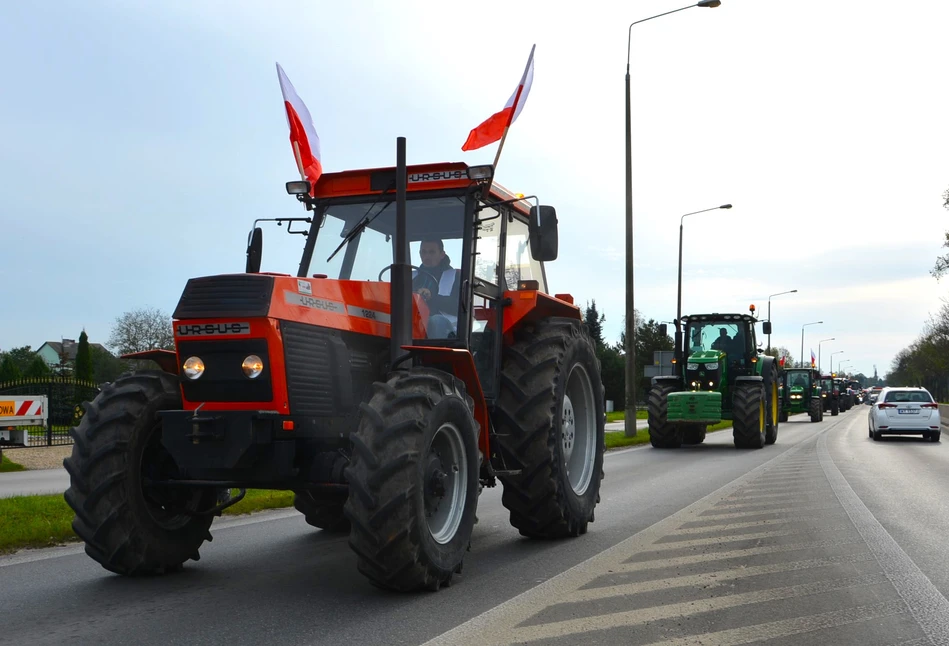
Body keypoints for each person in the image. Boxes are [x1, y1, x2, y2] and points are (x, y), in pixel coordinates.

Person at [414, 237, 460, 339]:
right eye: (423, 252)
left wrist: (432, 297)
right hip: (415, 321)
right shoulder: (411, 276)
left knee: (436, 321)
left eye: (432, 252)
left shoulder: (455, 276)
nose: (427, 256)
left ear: (442, 254)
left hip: (450, 329)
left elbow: (461, 306)